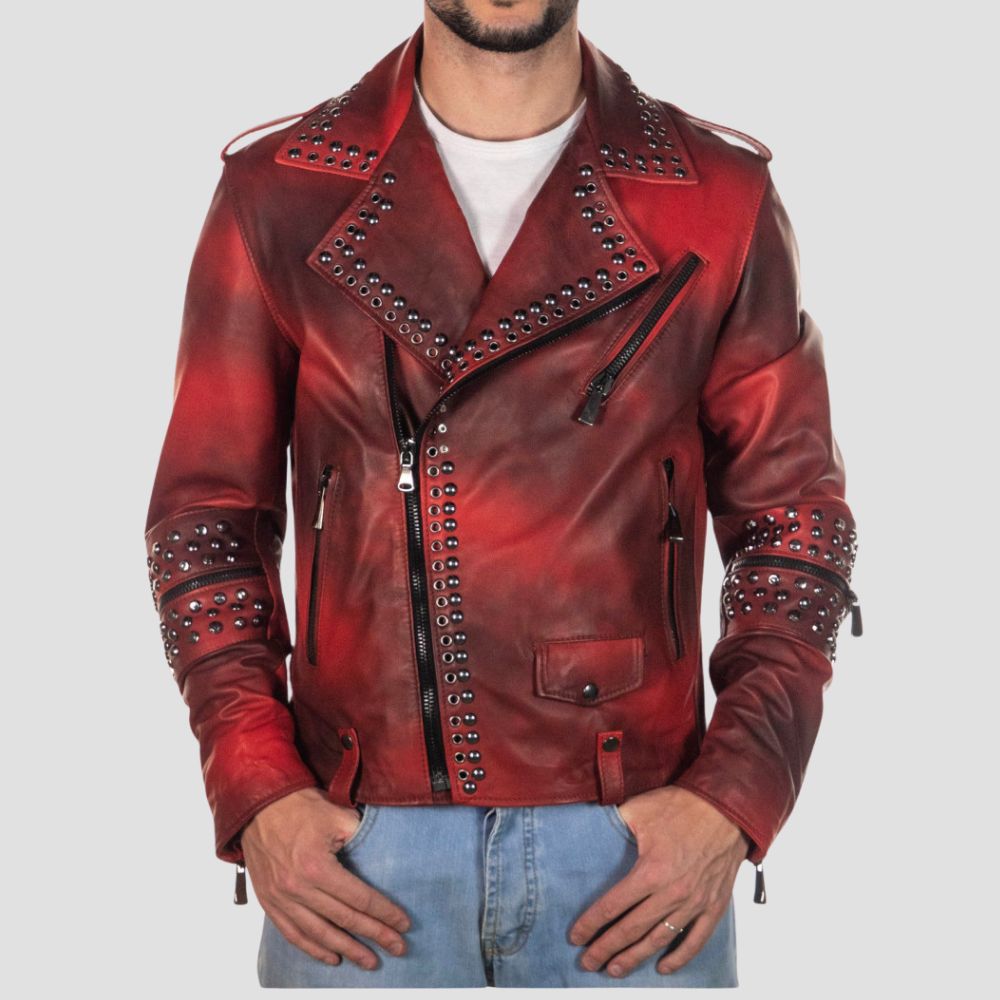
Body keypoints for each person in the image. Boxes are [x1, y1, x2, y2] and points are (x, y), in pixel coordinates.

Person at [143, 0, 861, 988]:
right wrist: (258, 787)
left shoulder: (715, 196)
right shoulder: (280, 191)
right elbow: (206, 525)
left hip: (636, 850)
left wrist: (733, 797)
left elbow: (795, 528)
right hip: (355, 850)